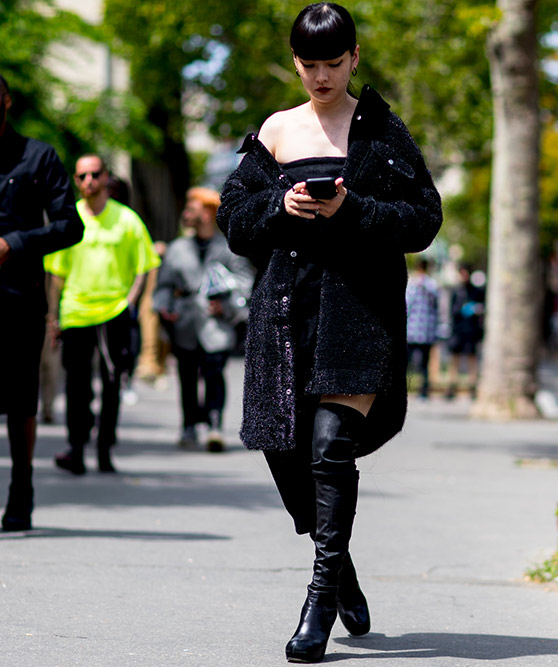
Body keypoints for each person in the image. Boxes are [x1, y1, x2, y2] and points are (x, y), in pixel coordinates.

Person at [217, 3, 441, 662]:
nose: (320, 76)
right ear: (296, 63)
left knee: (328, 450)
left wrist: (353, 209)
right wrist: (278, 207)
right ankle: (340, 567)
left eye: (332, 63)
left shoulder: (381, 131)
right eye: (309, 64)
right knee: (285, 453)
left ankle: (318, 598)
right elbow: (235, 221)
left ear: (355, 58)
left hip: (360, 312)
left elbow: (423, 218)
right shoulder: (277, 130)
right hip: (285, 313)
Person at [0, 73, 84, 531]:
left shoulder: (39, 156)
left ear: (7, 101)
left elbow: (71, 226)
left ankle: (21, 489)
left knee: (19, 401)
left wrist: (15, 242)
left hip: (19, 299)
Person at [44, 154, 161, 475]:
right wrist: (52, 316)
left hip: (114, 313)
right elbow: (57, 274)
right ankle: (77, 449)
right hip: (76, 313)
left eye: (94, 174)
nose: (88, 182)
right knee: (77, 388)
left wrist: (130, 302)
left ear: (106, 177)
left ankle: (105, 448)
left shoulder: (127, 220)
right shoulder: (70, 220)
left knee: (112, 384)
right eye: (81, 176)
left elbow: (144, 266)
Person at [154, 187, 254, 452]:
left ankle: (213, 424)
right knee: (186, 376)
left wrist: (228, 306)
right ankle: (188, 424)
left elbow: (245, 283)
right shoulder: (177, 248)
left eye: (193, 206)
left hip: (216, 324)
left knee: (213, 373)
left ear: (208, 213)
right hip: (184, 322)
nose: (187, 210)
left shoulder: (229, 248)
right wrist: (165, 307)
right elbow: (163, 285)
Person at [446, 264, 485, 399]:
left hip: (471, 331)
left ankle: (472, 386)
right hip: (458, 330)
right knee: (455, 359)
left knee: (471, 359)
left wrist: (475, 310)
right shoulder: (456, 291)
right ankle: (451, 386)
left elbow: (482, 309)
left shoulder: (476, 291)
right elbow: (452, 311)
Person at [405, 258, 439, 399]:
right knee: (425, 362)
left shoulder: (412, 283)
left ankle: (405, 388)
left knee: (407, 361)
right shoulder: (433, 285)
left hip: (412, 329)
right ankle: (424, 390)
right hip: (427, 330)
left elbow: (408, 304)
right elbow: (437, 304)